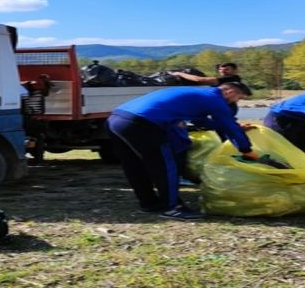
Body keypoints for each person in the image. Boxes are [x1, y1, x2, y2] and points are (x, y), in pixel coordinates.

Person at [106, 82, 256, 220]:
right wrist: (246, 150)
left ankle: (149, 203)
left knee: (135, 166)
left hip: (116, 119)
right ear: (229, 91)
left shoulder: (199, 94)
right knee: (165, 166)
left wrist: (235, 127)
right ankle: (172, 208)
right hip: (143, 124)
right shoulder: (215, 100)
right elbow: (228, 125)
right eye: (238, 98)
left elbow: (201, 121)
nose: (236, 102)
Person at [168, 62, 242, 86]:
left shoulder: (230, 78)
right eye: (220, 69)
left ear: (235, 70)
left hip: (225, 105)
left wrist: (180, 74)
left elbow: (199, 80)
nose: (222, 71)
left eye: (227, 69)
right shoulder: (231, 78)